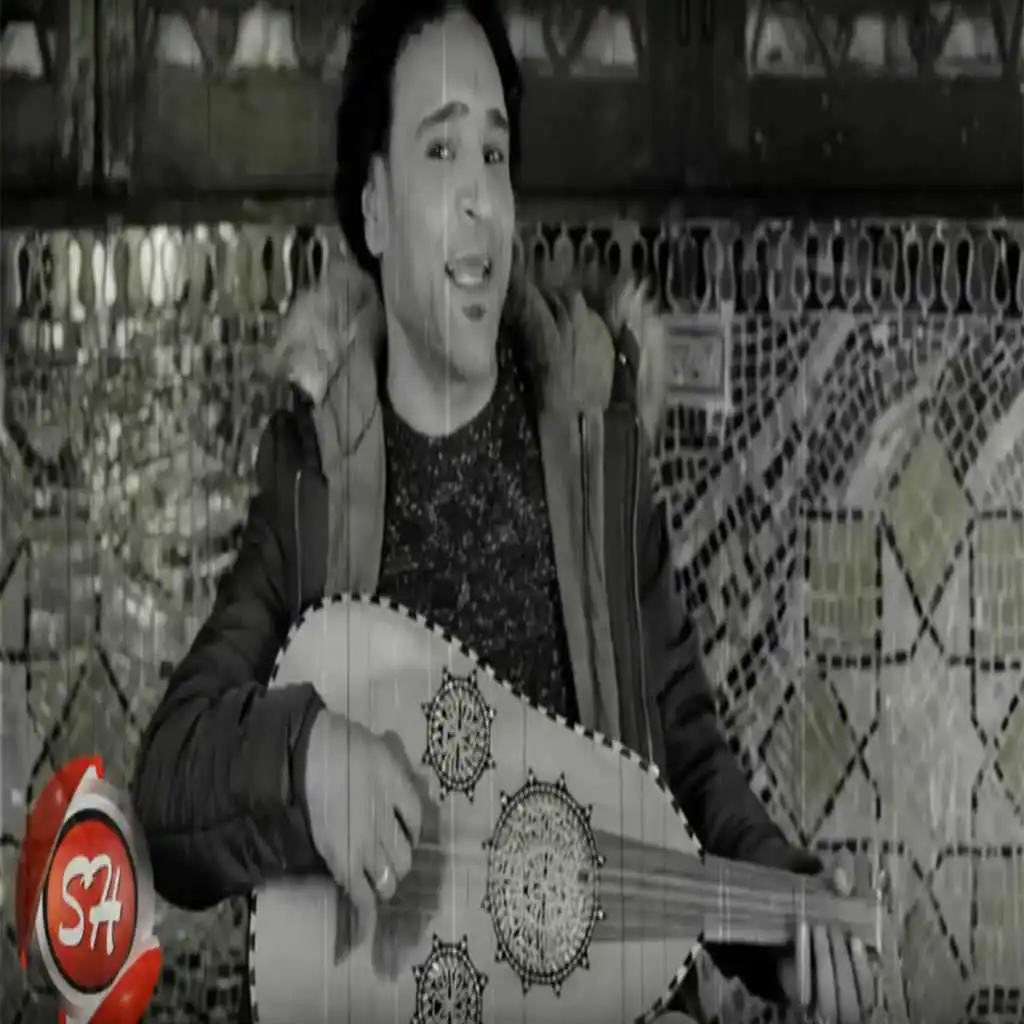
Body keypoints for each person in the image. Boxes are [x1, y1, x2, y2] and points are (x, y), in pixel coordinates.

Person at [132, 1, 878, 1021]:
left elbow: (687, 767)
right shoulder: (311, 478)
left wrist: (784, 916)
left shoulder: (596, 442)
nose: (480, 196)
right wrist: (306, 761)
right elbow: (171, 787)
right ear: (376, 210)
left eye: (495, 152)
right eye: (442, 150)